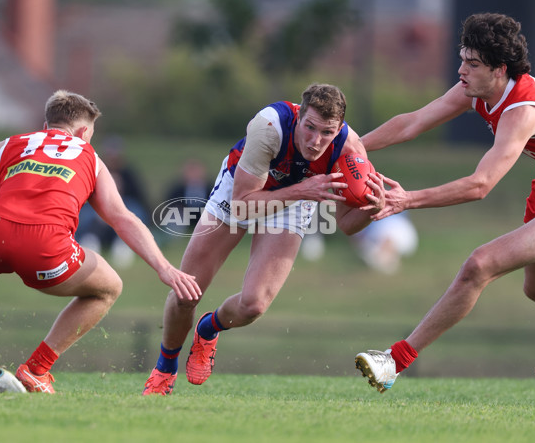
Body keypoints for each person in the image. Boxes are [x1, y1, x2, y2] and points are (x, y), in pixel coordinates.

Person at [0, 90, 201, 394]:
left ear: (45, 125)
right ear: (83, 132)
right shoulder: (89, 156)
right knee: (109, 288)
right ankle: (37, 369)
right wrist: (164, 268)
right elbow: (122, 218)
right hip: (44, 248)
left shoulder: (10, 144)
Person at [143, 83, 387, 395]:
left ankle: (209, 328)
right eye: (310, 128)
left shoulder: (349, 150)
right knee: (186, 293)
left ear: (339, 129)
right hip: (243, 190)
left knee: (253, 306)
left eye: (327, 133)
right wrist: (302, 190)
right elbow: (245, 202)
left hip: (296, 199)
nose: (316, 141)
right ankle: (165, 368)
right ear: (299, 117)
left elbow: (347, 226)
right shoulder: (269, 126)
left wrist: (372, 209)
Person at [355, 13, 535, 393]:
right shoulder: (476, 89)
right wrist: (347, 148)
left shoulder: (522, 111)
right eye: (462, 58)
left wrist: (407, 199)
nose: (461, 70)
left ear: (499, 70)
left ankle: (395, 361)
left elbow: (480, 185)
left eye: (472, 64)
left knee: (480, 264)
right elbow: (411, 123)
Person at [76, 135, 152, 267]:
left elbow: (140, 196)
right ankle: (89, 239)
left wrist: (120, 189)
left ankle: (125, 243)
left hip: (124, 205)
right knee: (87, 214)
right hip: (98, 205)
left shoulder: (128, 173)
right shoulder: (95, 170)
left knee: (135, 210)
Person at [351, 212, 418, 274]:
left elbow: (357, 236)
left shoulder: (371, 243)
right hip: (396, 214)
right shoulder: (407, 245)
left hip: (373, 216)